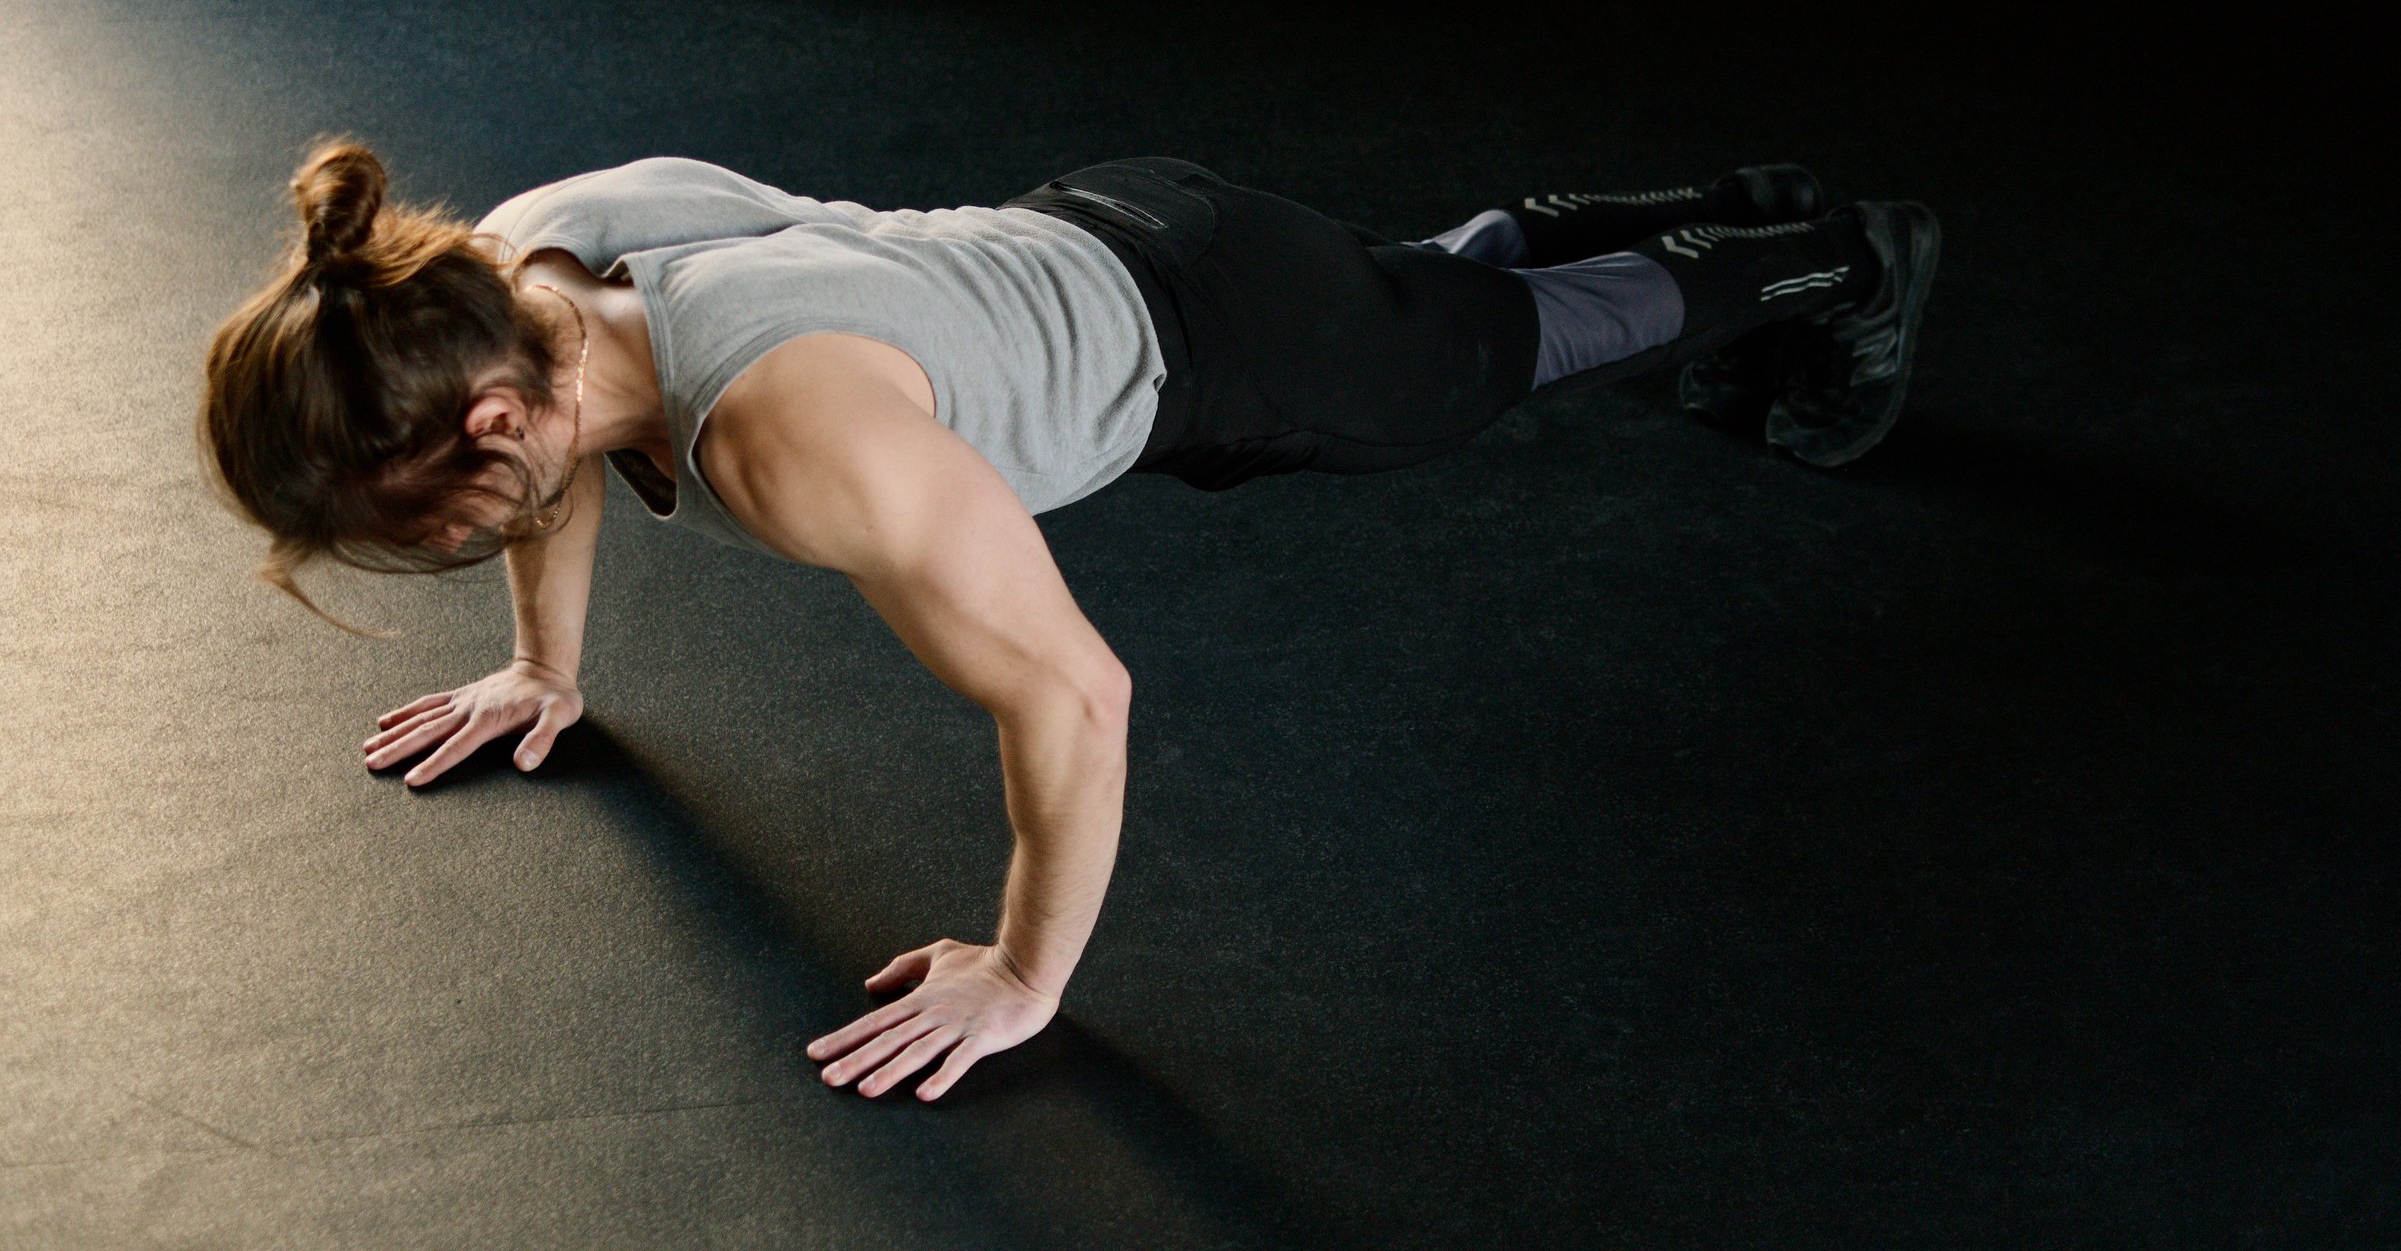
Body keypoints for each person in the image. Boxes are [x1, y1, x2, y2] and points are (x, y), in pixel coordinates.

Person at [199, 142, 1939, 1103]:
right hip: (1113, 221)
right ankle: (1743, 207)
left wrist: (1025, 976)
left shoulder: (799, 447)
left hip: (1225, 342)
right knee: (1434, 290)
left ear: (485, 422)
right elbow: (550, 471)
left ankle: (1841, 259)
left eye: (399, 514)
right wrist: (543, 668)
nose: (418, 541)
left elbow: (1076, 698)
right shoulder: (527, 265)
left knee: (1493, 354)